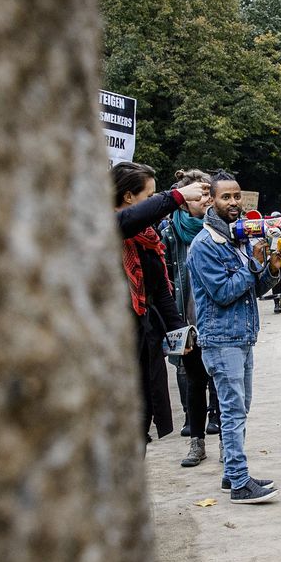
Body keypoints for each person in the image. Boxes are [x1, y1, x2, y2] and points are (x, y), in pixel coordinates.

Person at [186, 171, 281, 504]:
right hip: (221, 339)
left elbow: (255, 290)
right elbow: (223, 293)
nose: (233, 202)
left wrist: (270, 268)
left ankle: (232, 476)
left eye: (237, 196)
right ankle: (240, 482)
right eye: (226, 197)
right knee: (231, 410)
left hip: (243, 337)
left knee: (241, 408)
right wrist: (251, 265)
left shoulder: (238, 239)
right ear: (210, 200)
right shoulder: (204, 245)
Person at [114, 162, 206, 443]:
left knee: (142, 416)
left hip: (146, 338)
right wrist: (176, 196)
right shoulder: (105, 227)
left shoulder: (148, 238)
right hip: (117, 343)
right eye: (149, 196)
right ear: (128, 197)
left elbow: (161, 292)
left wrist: (180, 332)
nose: (155, 203)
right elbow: (127, 221)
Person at [162, 168, 221, 465]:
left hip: (214, 317)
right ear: (184, 201)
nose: (207, 200)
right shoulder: (169, 232)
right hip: (183, 318)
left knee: (221, 378)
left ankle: (224, 436)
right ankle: (196, 440)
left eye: (210, 194)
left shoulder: (220, 228)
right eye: (201, 196)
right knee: (192, 378)